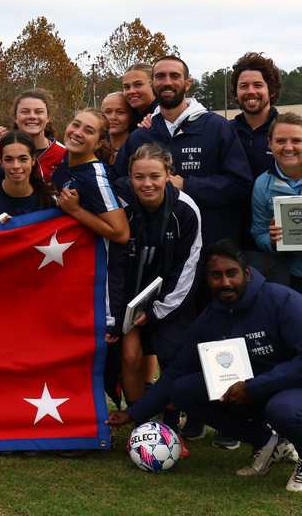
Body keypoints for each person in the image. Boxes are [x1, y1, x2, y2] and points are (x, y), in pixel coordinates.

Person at [108, 241, 302, 494]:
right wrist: (134, 413)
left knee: (283, 410)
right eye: (216, 276)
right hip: (253, 388)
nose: (225, 283)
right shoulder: (212, 316)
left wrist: (254, 387)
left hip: (291, 385)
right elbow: (178, 369)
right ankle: (268, 443)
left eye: (231, 273)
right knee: (183, 390)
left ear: (247, 273)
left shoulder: (283, 300)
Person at [115, 55, 253, 245]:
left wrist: (187, 185)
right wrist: (150, 185)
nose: (167, 82)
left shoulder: (216, 127)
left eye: (175, 76)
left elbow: (240, 183)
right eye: (160, 76)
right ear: (153, 83)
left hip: (210, 245)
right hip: (156, 247)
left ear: (188, 83)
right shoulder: (141, 135)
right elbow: (118, 182)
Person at [106, 143, 202, 411]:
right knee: (130, 355)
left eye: (155, 176)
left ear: (169, 174)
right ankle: (140, 420)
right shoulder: (119, 205)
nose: (147, 184)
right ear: (130, 177)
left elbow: (187, 268)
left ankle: (171, 424)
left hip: (168, 301)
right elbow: (112, 265)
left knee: (172, 355)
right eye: (139, 177)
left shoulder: (185, 209)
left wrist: (158, 310)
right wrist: (116, 314)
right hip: (129, 304)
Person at [51, 109, 130, 244]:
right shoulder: (65, 159)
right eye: (75, 125)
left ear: (99, 143)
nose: (77, 133)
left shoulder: (95, 178)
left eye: (88, 131)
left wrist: (76, 210)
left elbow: (121, 234)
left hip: (96, 258)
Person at [251, 112, 302, 291]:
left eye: (296, 141)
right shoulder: (262, 184)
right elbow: (258, 233)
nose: (288, 148)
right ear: (270, 143)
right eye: (280, 141)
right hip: (289, 276)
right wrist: (272, 241)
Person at [0, 131, 55, 222]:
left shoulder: (48, 199)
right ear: (1, 162)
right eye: (9, 160)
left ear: (33, 160)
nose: (16, 166)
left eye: (23, 159)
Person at [0, 89, 65, 182]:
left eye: (39, 112)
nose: (32, 116)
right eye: (25, 112)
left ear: (48, 117)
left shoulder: (63, 154)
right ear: (15, 118)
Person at [230, 52, 281, 181]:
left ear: (272, 91)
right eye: (244, 86)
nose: (251, 91)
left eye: (258, 85)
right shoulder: (225, 131)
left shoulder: (288, 131)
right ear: (236, 93)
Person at [100, 92, 135, 165]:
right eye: (108, 112)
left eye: (120, 112)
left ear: (131, 116)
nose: (113, 117)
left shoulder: (137, 149)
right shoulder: (96, 149)